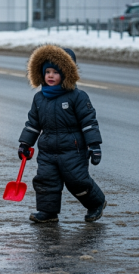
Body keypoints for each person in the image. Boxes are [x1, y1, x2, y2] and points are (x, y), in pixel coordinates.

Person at [16, 45, 106, 223]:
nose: (50, 76)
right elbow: (33, 124)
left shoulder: (77, 97)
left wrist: (94, 146)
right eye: (47, 71)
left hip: (73, 150)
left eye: (55, 72)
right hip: (48, 149)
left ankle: (96, 203)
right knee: (45, 180)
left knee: (77, 181)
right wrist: (25, 144)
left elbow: (89, 123)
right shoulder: (39, 98)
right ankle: (48, 212)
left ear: (66, 74)